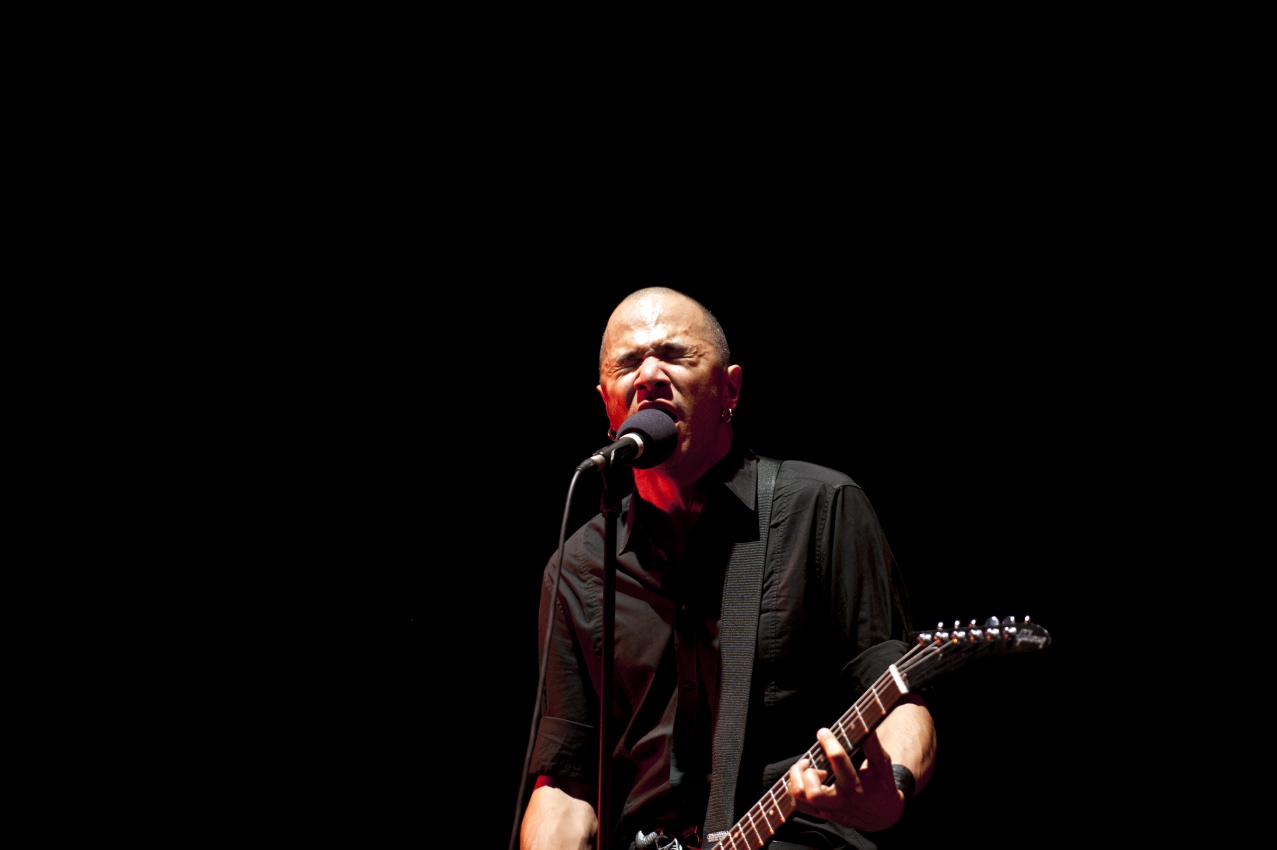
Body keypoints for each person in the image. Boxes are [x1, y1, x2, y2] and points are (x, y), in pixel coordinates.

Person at [520, 287, 936, 850]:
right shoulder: (577, 568)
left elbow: (898, 692)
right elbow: (566, 786)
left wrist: (893, 792)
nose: (648, 375)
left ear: (730, 389)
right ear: (608, 406)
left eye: (675, 354)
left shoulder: (822, 506)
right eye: (628, 363)